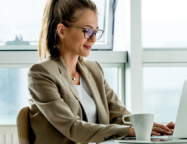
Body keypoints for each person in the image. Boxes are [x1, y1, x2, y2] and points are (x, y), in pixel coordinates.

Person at [28, 0, 175, 143]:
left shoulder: (94, 69)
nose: (93, 39)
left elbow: (119, 116)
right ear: (61, 30)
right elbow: (73, 128)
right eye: (87, 31)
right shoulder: (41, 73)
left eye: (96, 31)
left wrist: (152, 128)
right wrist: (129, 131)